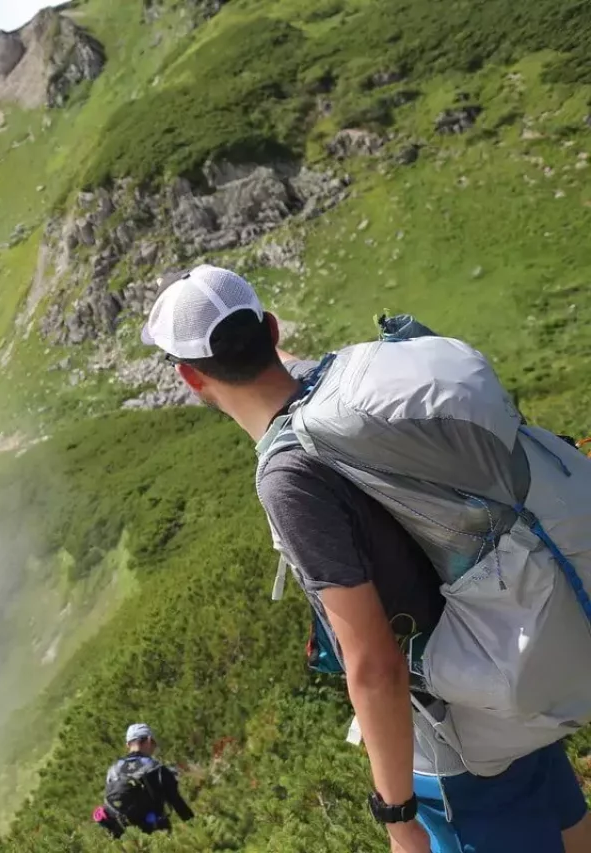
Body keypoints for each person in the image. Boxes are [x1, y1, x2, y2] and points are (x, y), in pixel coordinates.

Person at [138, 264, 591, 853]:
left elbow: (373, 663)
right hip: (511, 656)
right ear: (272, 330)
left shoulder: (291, 478)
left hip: (456, 743)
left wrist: (398, 814)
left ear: (189, 378)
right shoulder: (346, 395)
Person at [97, 722, 193, 838]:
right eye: (154, 743)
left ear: (128, 744)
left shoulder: (113, 770)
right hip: (156, 835)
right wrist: (197, 828)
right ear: (148, 740)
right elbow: (178, 804)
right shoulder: (157, 769)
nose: (154, 747)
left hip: (126, 840)